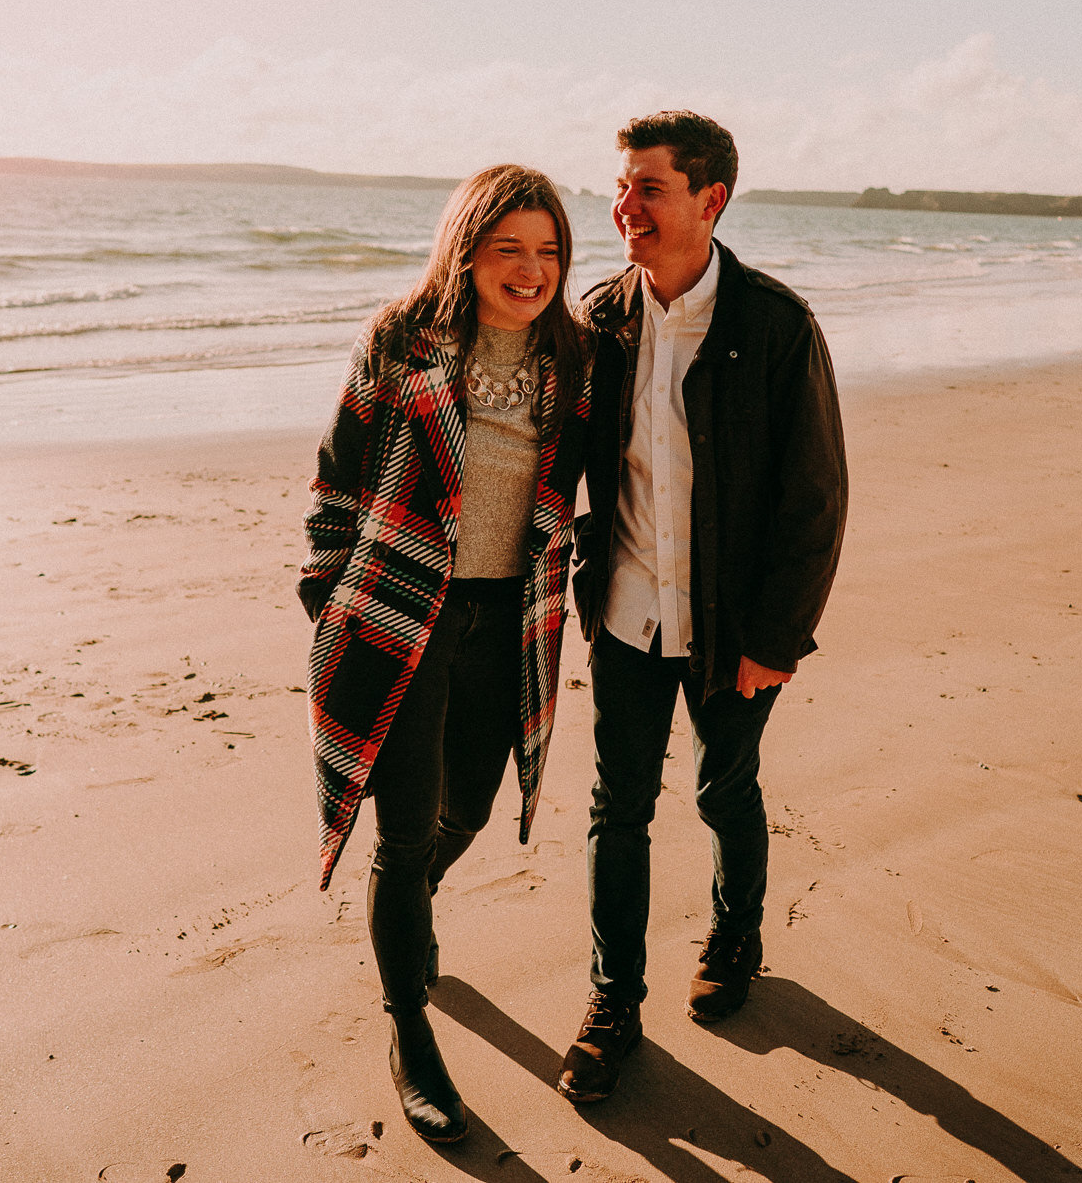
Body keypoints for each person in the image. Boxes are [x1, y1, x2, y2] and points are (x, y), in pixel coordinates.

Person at [557, 111, 848, 1102]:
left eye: (647, 187)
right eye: (621, 185)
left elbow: (814, 499)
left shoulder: (773, 326)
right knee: (616, 808)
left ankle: (734, 936)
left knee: (725, 790)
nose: (621, 207)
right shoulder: (597, 320)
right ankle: (612, 1003)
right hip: (627, 617)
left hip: (734, 625)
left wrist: (776, 640)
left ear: (708, 199)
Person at [298, 164, 591, 1143]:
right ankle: (407, 1030)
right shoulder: (399, 340)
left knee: (468, 800)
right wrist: (325, 594)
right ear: (466, 249)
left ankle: (406, 914)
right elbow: (335, 480)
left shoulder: (572, 359)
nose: (530, 268)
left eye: (547, 251)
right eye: (508, 248)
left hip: (509, 617)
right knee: (398, 833)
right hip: (404, 613)